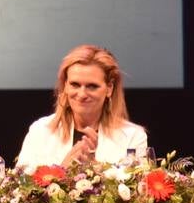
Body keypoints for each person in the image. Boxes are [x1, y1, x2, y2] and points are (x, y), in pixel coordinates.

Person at [15, 44, 148, 170]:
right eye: (75, 84)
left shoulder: (133, 137)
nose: (82, 94)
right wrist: (62, 171)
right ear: (65, 85)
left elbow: (138, 192)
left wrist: (95, 170)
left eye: (92, 86)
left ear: (109, 88)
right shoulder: (40, 130)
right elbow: (20, 189)